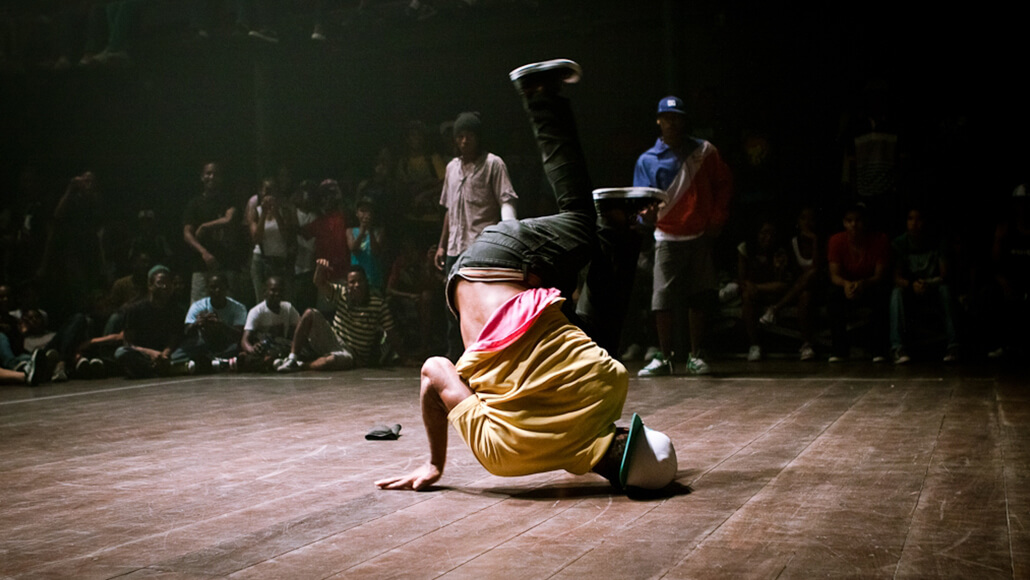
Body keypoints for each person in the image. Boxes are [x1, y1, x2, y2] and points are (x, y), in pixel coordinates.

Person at [375, 59, 677, 494]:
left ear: (627, 435)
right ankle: (616, 224)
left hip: (500, 258)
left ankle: (540, 98)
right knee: (595, 327)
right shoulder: (503, 460)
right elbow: (434, 370)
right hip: (468, 283)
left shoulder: (608, 384)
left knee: (580, 225)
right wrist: (434, 464)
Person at [635, 96, 733, 377]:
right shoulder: (647, 160)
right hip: (666, 236)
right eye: (667, 118)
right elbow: (642, 200)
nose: (672, 123)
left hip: (700, 234)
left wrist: (717, 218)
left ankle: (695, 355)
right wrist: (646, 217)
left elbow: (724, 185)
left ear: (684, 120)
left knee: (699, 296)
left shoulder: (704, 151)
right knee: (662, 299)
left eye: (677, 117)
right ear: (658, 120)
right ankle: (664, 358)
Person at [436, 111, 518, 361]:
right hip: (455, 248)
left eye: (468, 136)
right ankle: (457, 359)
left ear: (477, 137)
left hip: (481, 247)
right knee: (453, 308)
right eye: (459, 137)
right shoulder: (451, 168)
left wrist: (510, 233)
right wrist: (441, 246)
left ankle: (487, 358)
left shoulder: (493, 163)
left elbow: (506, 199)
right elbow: (450, 210)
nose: (463, 141)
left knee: (482, 306)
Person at [277, 263, 400, 372]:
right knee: (310, 313)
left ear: (366, 282)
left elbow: (391, 333)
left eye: (360, 281)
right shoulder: (342, 293)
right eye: (352, 282)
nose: (356, 285)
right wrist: (320, 269)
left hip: (351, 354)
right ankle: (292, 358)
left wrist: (405, 358)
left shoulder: (378, 304)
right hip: (334, 338)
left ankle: (302, 366)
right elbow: (319, 283)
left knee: (330, 361)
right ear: (347, 285)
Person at [889, 208, 960, 364]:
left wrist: (928, 283)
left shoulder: (938, 241)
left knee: (946, 290)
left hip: (933, 286)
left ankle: (954, 345)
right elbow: (896, 276)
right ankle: (897, 347)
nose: (915, 223)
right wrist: (911, 284)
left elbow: (944, 274)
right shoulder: (900, 243)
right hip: (910, 288)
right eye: (910, 219)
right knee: (896, 294)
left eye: (919, 219)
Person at [827, 203, 890, 362]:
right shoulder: (836, 240)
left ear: (866, 221)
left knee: (881, 297)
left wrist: (863, 283)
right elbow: (834, 275)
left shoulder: (879, 240)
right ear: (844, 223)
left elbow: (879, 275)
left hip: (869, 285)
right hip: (847, 286)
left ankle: (878, 350)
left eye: (858, 220)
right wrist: (847, 285)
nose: (854, 224)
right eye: (849, 220)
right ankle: (839, 350)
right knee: (833, 297)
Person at [183, 162, 246, 304]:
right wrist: (203, 252)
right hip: (202, 266)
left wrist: (205, 226)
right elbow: (187, 234)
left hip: (227, 263)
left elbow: (229, 219)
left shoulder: (229, 200)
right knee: (199, 307)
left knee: (230, 307)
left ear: (221, 178)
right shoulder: (194, 204)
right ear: (202, 177)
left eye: (215, 174)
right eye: (208, 173)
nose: (211, 177)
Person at [115, 265, 187, 378]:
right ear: (150, 286)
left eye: (168, 283)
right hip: (144, 354)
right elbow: (128, 343)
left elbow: (174, 338)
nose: (165, 287)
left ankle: (158, 368)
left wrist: (165, 353)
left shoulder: (177, 311)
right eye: (160, 283)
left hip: (168, 355)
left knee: (194, 347)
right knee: (121, 352)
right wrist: (151, 353)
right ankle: (161, 368)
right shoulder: (134, 310)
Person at [239, 276, 299, 372]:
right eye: (273, 290)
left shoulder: (288, 308)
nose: (277, 294)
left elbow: (299, 330)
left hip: (282, 348)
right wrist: (251, 349)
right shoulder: (256, 311)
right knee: (248, 358)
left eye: (280, 291)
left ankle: (275, 362)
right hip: (264, 350)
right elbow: (244, 341)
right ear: (265, 292)